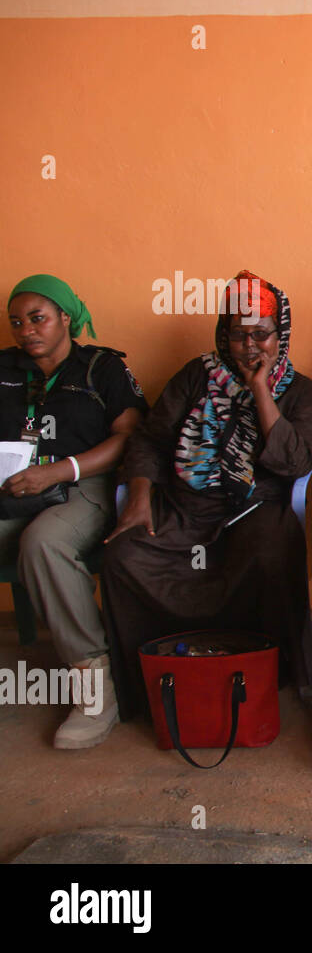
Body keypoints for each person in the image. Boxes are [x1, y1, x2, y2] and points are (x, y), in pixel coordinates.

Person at [102, 271, 312, 719]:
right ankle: (152, 680)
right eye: (239, 335)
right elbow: (150, 440)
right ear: (224, 334)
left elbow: (295, 462)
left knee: (271, 553)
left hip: (255, 508)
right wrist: (139, 496)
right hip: (183, 508)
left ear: (281, 335)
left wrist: (260, 391)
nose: (250, 345)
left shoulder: (298, 390)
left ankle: (268, 676)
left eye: (262, 334)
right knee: (123, 555)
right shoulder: (195, 377)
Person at [2, 274, 146, 748]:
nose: (27, 331)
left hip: (83, 484)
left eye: (38, 318)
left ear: (65, 317)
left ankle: (93, 683)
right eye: (17, 322)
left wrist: (60, 470)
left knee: (44, 543)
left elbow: (130, 436)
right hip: (11, 484)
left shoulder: (100, 367)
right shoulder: (5, 368)